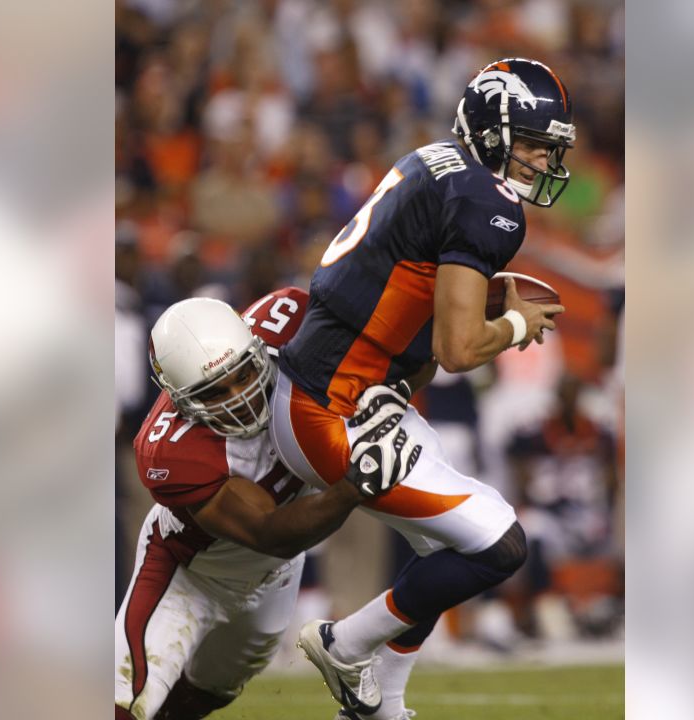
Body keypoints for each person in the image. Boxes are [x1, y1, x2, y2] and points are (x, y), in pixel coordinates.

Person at [268, 58, 573, 719]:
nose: (541, 158)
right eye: (530, 141)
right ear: (492, 132)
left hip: (337, 388)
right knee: (500, 545)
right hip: (328, 409)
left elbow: (412, 333)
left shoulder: (433, 160)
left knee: (447, 548)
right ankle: (342, 642)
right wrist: (516, 321)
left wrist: (416, 362)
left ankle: (384, 706)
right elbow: (457, 350)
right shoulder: (485, 203)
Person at [114, 287, 422, 720]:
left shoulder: (292, 321)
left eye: (243, 373)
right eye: (214, 393)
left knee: (211, 692)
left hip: (274, 578)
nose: (240, 396)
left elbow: (395, 340)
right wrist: (353, 486)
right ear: (181, 399)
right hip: (189, 574)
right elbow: (270, 532)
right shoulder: (170, 451)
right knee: (125, 704)